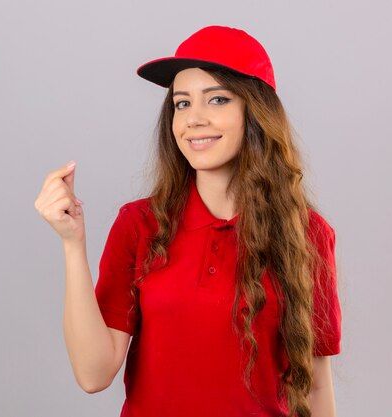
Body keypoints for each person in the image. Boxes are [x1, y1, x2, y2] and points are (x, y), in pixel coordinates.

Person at [35, 25, 342, 417]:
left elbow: (315, 385)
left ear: (256, 112)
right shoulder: (139, 224)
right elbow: (93, 374)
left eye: (216, 99)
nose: (194, 119)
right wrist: (71, 243)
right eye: (182, 103)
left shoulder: (308, 234)